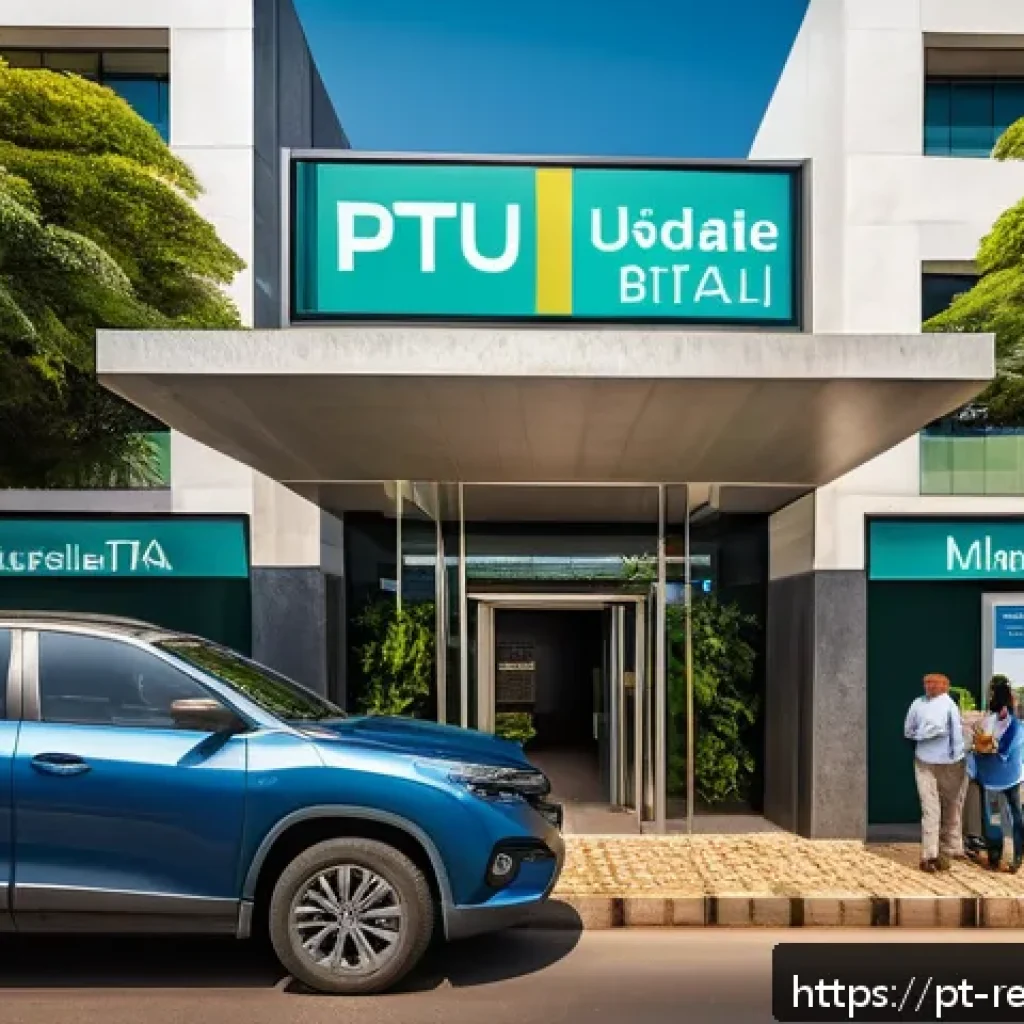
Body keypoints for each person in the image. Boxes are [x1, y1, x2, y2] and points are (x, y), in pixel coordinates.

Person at [904, 673, 968, 872]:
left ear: (944, 686)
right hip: (924, 762)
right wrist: (923, 734)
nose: (929, 686)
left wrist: (958, 759)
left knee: (952, 807)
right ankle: (929, 855)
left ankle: (951, 849)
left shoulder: (950, 705)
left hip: (950, 763)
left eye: (933, 683)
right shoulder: (917, 704)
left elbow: (957, 735)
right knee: (930, 808)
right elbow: (908, 730)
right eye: (926, 683)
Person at [969, 679, 1024, 873]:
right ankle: (1003, 856)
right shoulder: (998, 721)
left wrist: (979, 748)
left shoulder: (1013, 726)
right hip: (1000, 779)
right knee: (1002, 817)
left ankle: (1008, 856)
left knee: (1003, 816)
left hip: (1002, 778)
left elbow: (1002, 750)